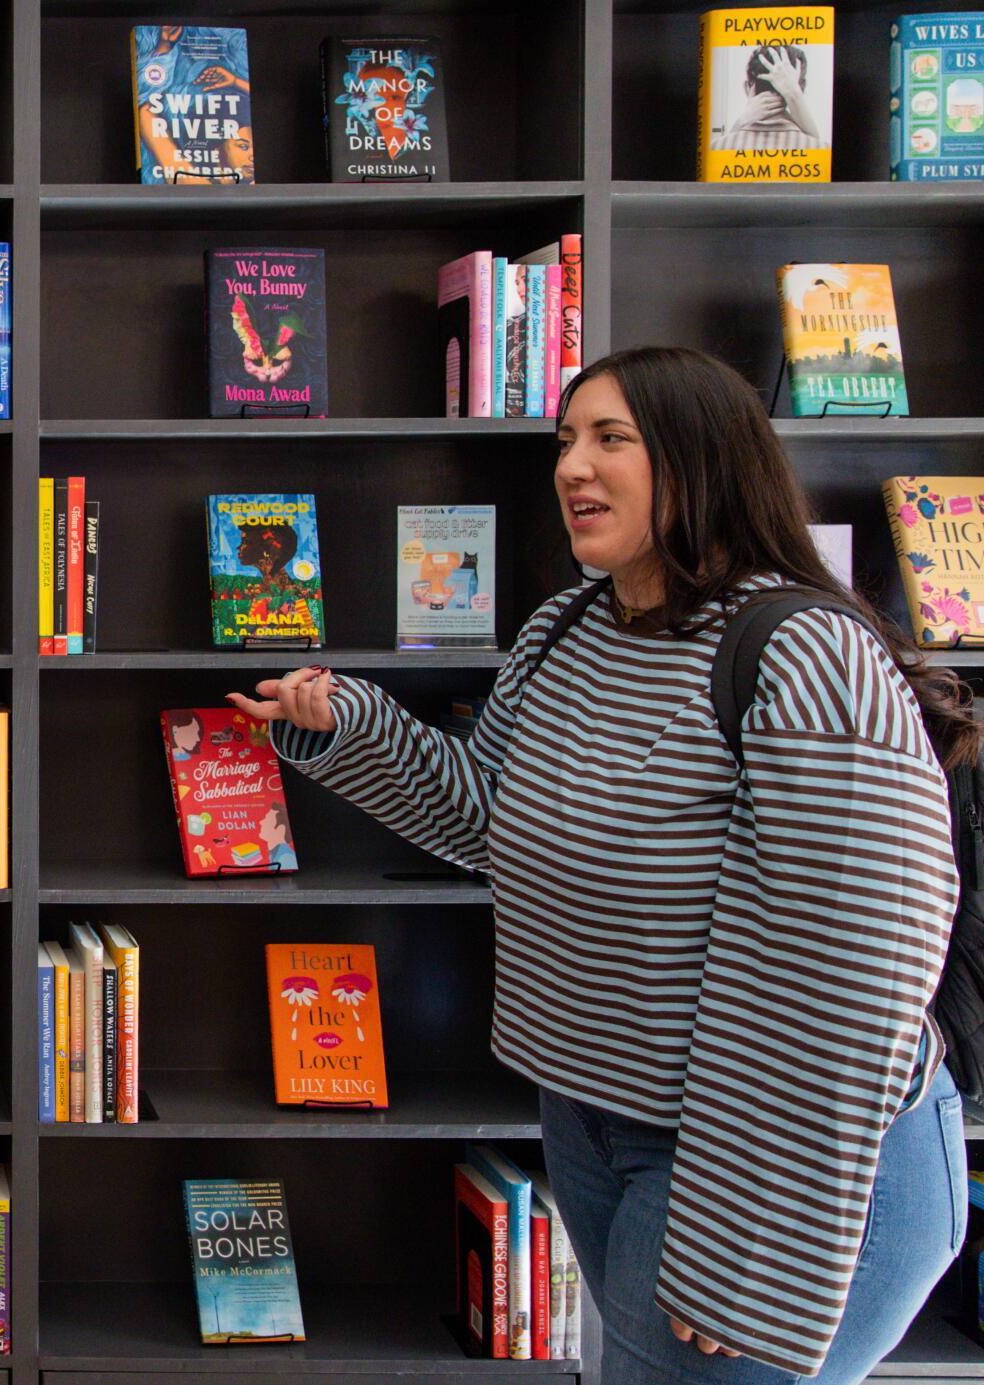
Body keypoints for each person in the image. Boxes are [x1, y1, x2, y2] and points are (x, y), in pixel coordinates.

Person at [230, 346, 969, 1385]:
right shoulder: (565, 629)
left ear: (702, 457)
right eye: (565, 439)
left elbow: (853, 969)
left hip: (763, 1154)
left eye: (610, 438)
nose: (571, 466)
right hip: (592, 1114)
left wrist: (748, 1233)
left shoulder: (802, 652)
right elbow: (486, 819)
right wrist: (345, 723)